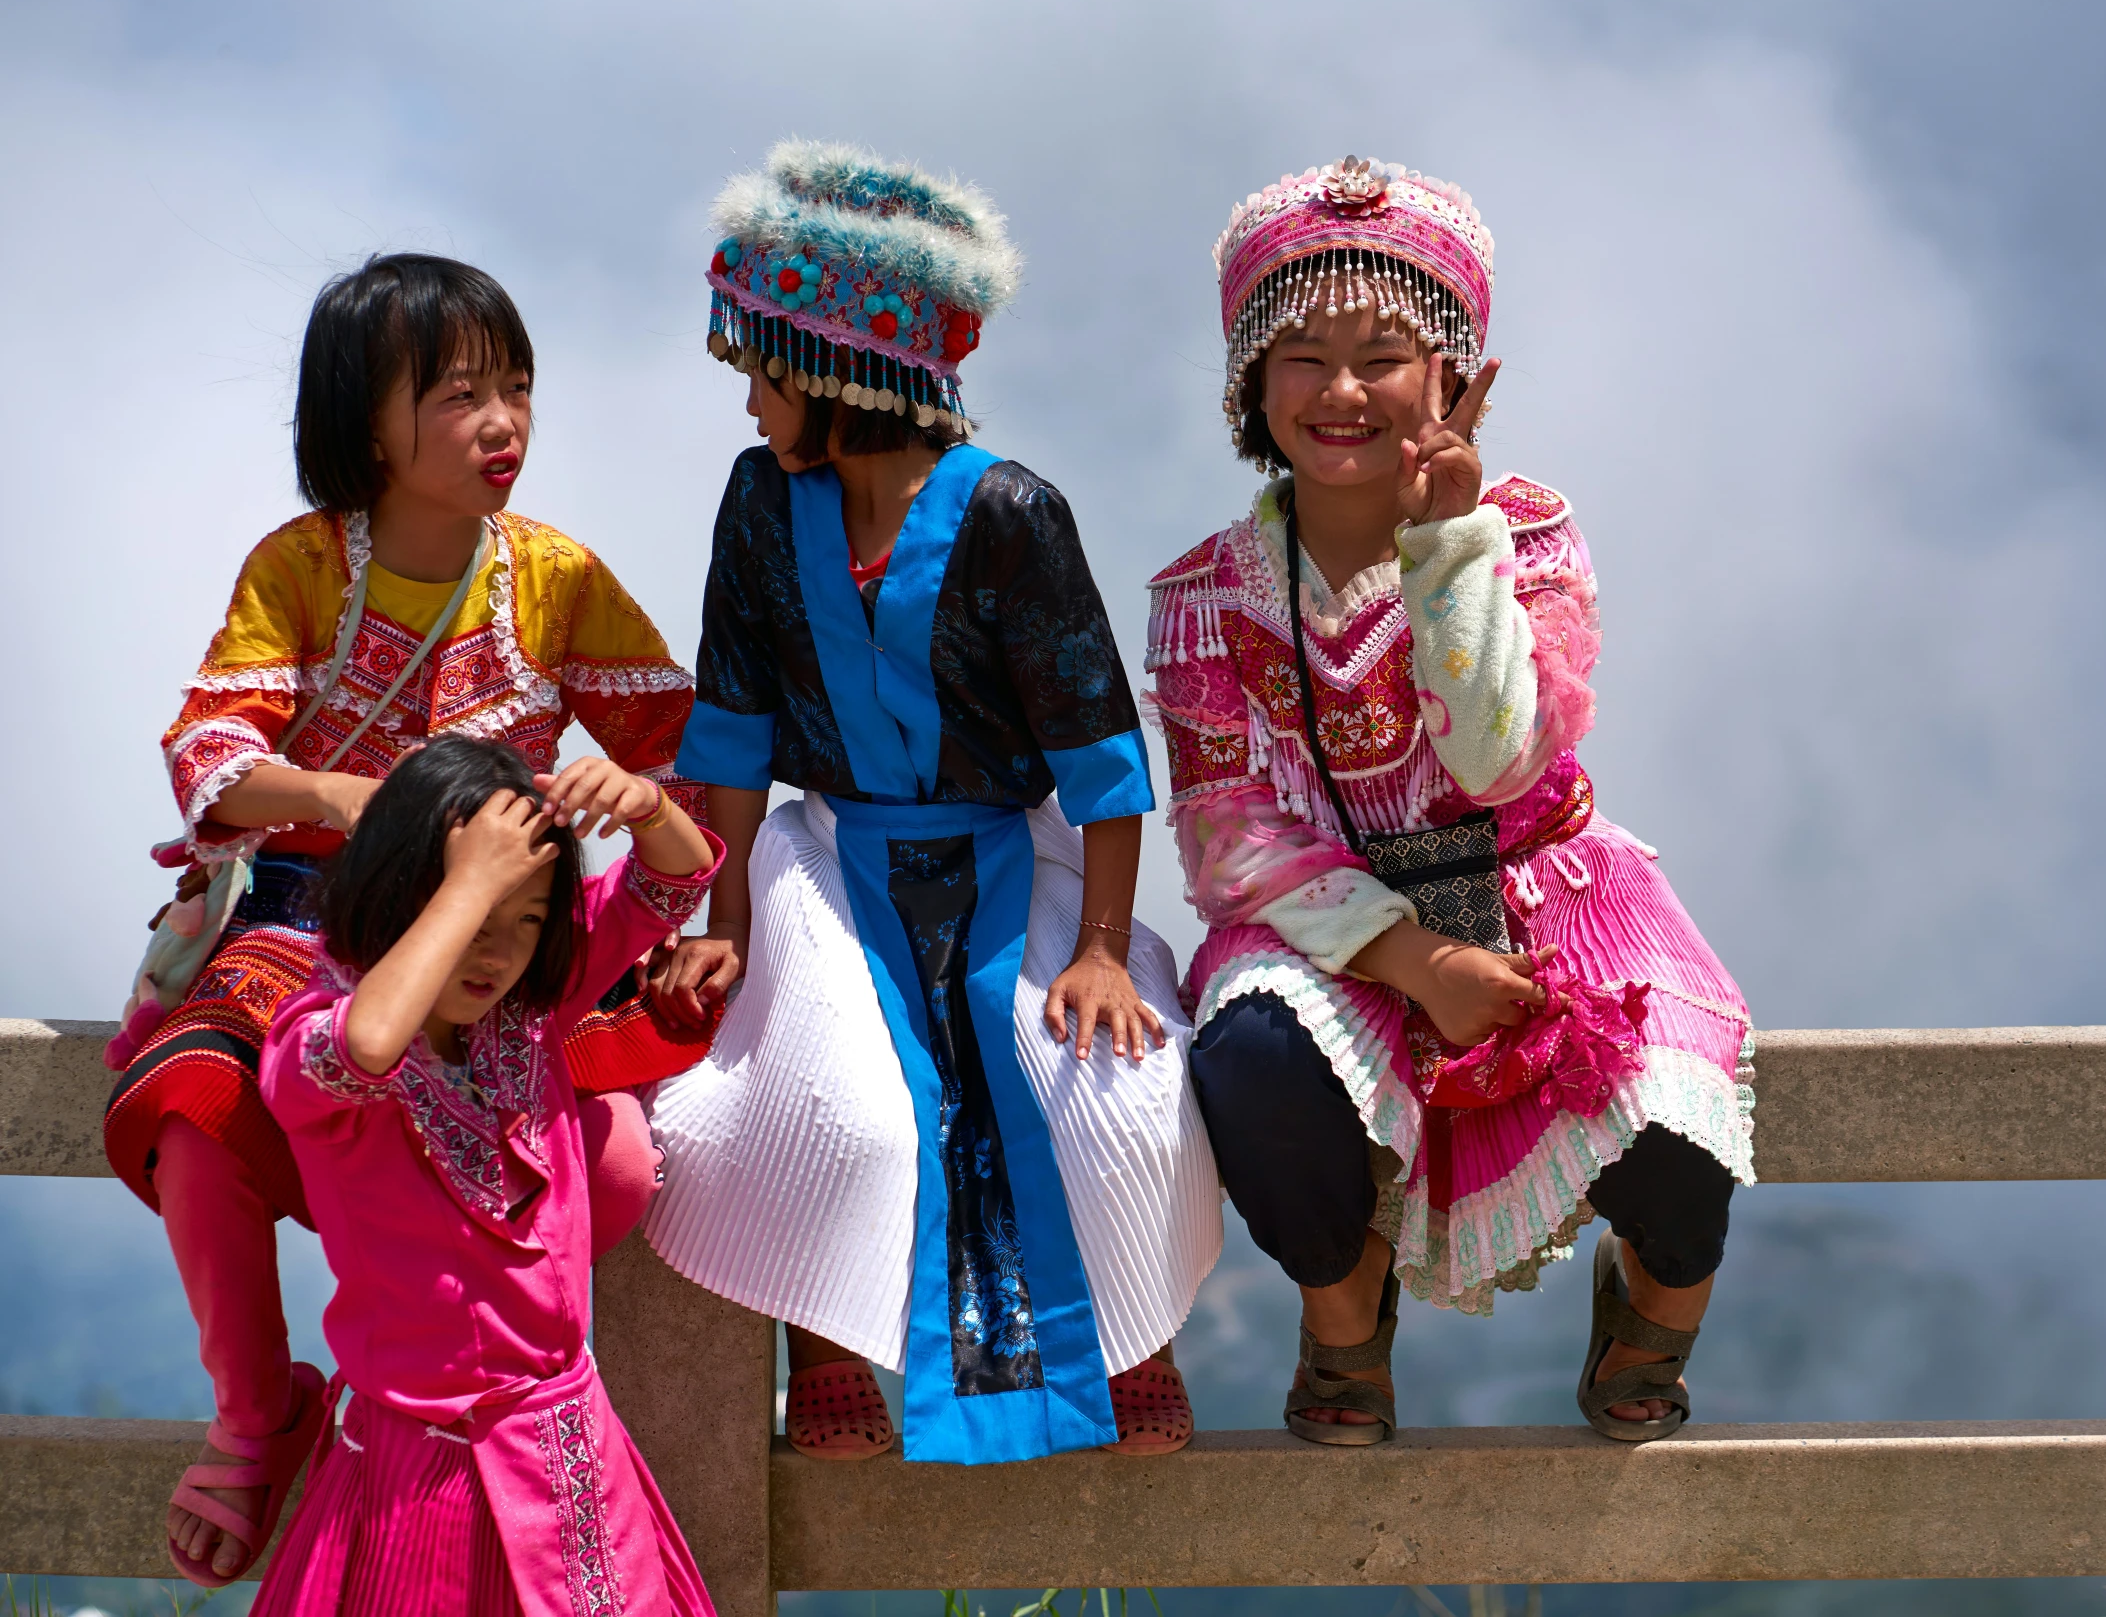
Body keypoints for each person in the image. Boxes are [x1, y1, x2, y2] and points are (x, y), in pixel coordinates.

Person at [111, 254, 708, 1587]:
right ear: (362, 420)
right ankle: (260, 1410)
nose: (501, 421)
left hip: (507, 939)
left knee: (613, 1169)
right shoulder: (302, 564)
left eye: (516, 386)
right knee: (200, 1105)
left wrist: (662, 875)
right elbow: (207, 754)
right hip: (315, 920)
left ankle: (475, 1362)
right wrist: (351, 798)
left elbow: (680, 745)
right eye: (456, 394)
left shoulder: (557, 577)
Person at [1147, 156, 1754, 1445]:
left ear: (1454, 376)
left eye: (1386, 353)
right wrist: (1417, 959)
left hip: (1543, 883)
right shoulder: (1205, 593)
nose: (1344, 391)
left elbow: (1500, 766)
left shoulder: (1524, 537)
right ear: (1251, 381)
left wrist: (1451, 546)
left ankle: (1655, 1301)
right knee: (1252, 1062)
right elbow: (1225, 833)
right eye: (1301, 354)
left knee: (1672, 1120)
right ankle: (1344, 1311)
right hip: (1331, 915)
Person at [642, 140, 1223, 1464]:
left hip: (1016, 858)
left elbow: (1099, 753)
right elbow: (730, 728)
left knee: (1109, 1092)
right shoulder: (757, 503)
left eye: (760, 373)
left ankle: (1128, 1340)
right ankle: (827, 1342)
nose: (748, 410)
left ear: (835, 369)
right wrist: (721, 911)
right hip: (832, 858)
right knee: (820, 1101)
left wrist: (1095, 950)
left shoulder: (1014, 513)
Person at [251, 737, 721, 1614]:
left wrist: (646, 807)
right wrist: (472, 882)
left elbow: (675, 881)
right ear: (397, 892)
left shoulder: (527, 1014)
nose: (495, 951)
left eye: (528, 921)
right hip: (419, 1473)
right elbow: (368, 1045)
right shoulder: (307, 1041)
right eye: (472, 913)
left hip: (571, 1450)